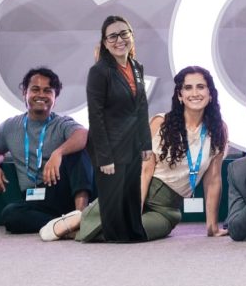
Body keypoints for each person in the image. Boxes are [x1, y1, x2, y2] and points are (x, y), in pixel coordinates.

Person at [42, 66, 230, 242]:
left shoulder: (219, 130)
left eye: (201, 87)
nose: (195, 93)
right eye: (188, 88)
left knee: (132, 234)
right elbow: (145, 170)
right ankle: (82, 218)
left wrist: (212, 227)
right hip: (135, 190)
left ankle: (80, 227)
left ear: (210, 94)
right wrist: (135, 211)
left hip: (167, 209)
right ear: (180, 95)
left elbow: (213, 179)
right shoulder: (161, 123)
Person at [0, 67, 93, 234]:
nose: (41, 95)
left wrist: (58, 153)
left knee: (78, 152)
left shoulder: (62, 123)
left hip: (59, 189)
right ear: (25, 93)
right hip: (34, 199)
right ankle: (65, 224)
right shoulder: (10, 126)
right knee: (10, 215)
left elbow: (82, 134)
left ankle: (80, 215)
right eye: (35, 89)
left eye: (47, 91)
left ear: (55, 98)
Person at [85, 15, 152, 242]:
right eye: (112, 36)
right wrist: (104, 157)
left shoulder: (137, 67)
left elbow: (141, 107)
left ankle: (134, 236)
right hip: (109, 147)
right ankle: (114, 241)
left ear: (131, 36)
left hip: (133, 144)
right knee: (113, 200)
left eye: (124, 33)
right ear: (104, 42)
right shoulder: (99, 72)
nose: (119, 40)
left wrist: (146, 144)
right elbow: (95, 115)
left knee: (131, 195)